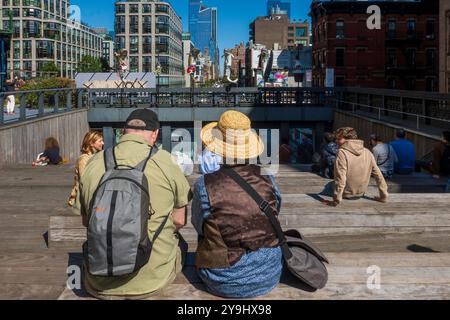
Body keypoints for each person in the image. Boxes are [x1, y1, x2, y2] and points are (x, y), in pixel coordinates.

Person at [73, 109, 192, 300]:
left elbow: (87, 221)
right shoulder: (166, 161)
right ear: (155, 134)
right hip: (151, 280)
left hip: (98, 281)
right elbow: (179, 220)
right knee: (181, 246)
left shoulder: (95, 162)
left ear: (123, 132)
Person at [191, 110, 283, 298]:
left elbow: (198, 225)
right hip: (270, 273)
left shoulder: (205, 184)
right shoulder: (268, 178)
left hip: (223, 279)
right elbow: (275, 211)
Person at [325, 127, 388, 206]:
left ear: (348, 139)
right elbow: (379, 175)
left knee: (328, 185)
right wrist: (383, 196)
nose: (336, 141)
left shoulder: (342, 152)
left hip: (346, 194)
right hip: (361, 193)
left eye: (339, 139)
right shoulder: (367, 152)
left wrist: (336, 200)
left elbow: (340, 177)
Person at [67, 131, 104, 207]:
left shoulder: (96, 157)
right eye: (100, 141)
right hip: (82, 200)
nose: (103, 143)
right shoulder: (84, 159)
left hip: (93, 196)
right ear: (91, 143)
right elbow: (84, 179)